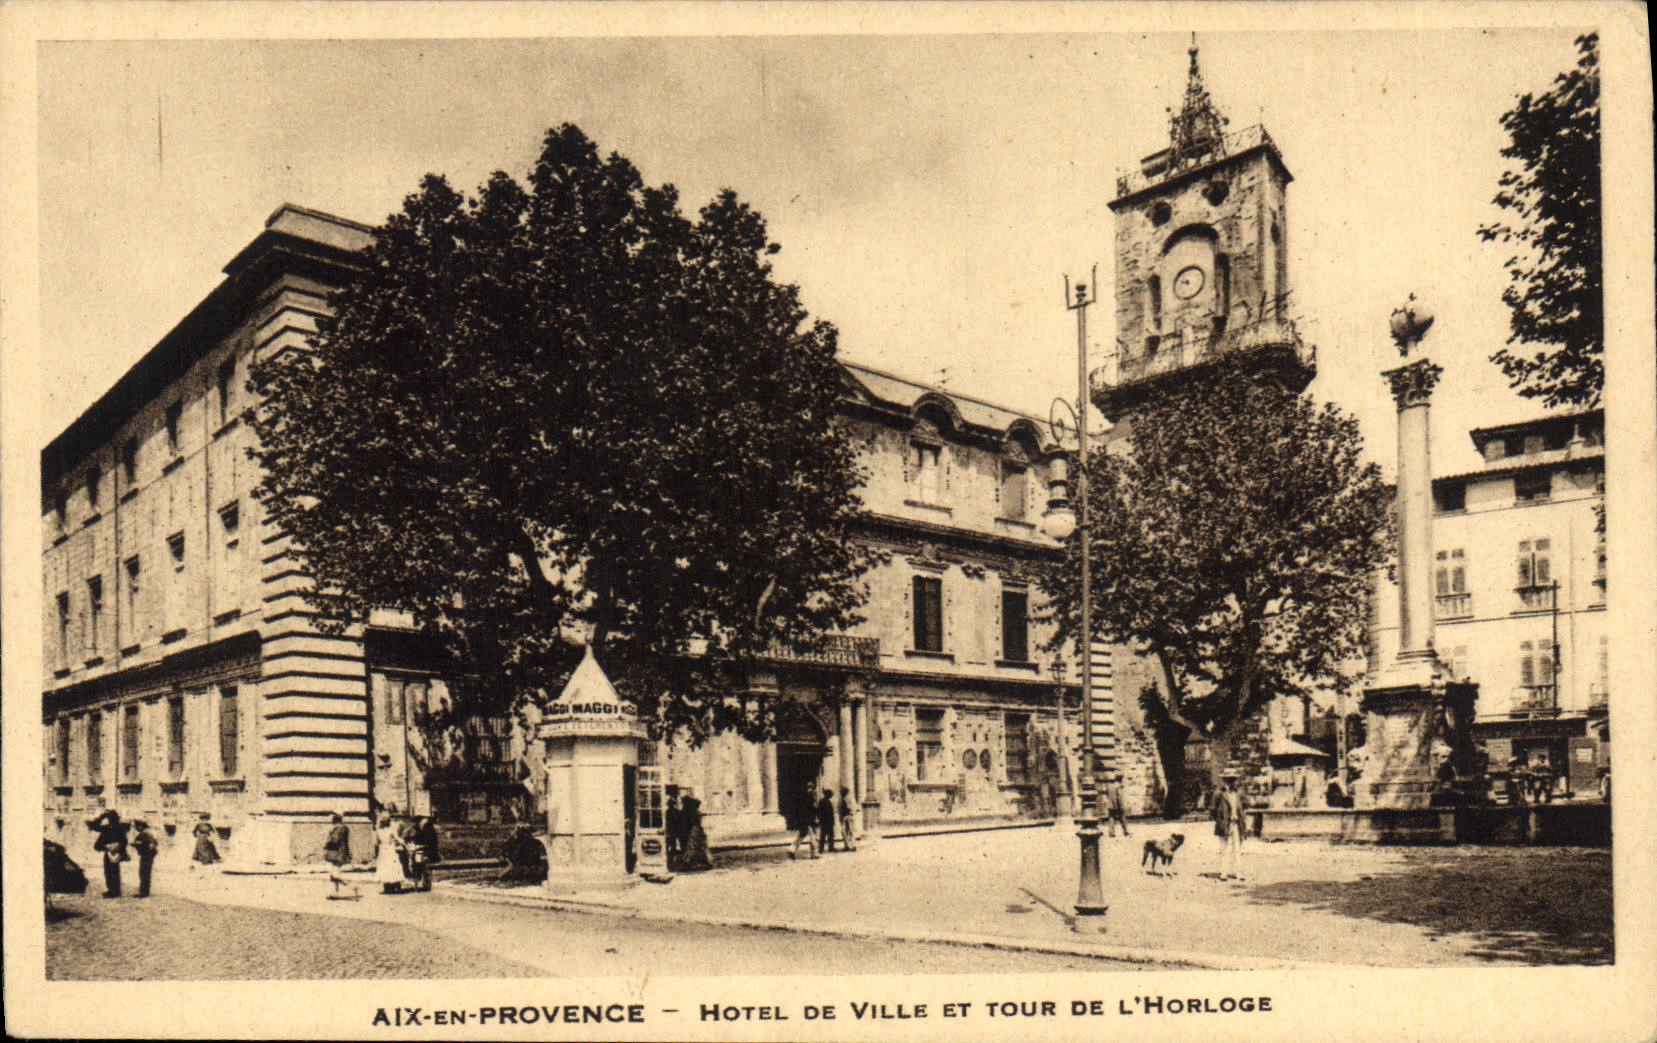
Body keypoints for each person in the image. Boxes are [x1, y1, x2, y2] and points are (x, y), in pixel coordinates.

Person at [1211, 775, 1246, 881]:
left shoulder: (1238, 793)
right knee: (1224, 848)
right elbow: (1213, 808)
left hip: (1237, 824)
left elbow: (1244, 805)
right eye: (1227, 780)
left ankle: (1239, 873)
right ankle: (1224, 873)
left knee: (1237, 849)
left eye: (1232, 780)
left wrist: (1241, 818)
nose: (1230, 782)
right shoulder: (1219, 793)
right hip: (1225, 824)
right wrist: (1220, 820)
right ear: (1223, 780)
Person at [89, 810, 129, 898]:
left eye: (113, 819)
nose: (112, 820)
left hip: (116, 852)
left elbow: (124, 841)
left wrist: (117, 846)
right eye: (110, 819)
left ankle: (115, 891)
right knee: (107, 871)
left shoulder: (120, 828)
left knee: (114, 871)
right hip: (107, 852)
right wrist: (102, 816)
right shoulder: (106, 828)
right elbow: (94, 826)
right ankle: (111, 890)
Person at [678, 795, 713, 871]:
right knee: (701, 847)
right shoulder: (694, 812)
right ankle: (706, 862)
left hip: (695, 830)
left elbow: (692, 822)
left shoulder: (692, 812)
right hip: (696, 830)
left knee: (693, 847)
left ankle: (687, 863)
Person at [373, 815, 406, 894]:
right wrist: (404, 843)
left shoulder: (378, 831)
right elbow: (398, 839)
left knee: (384, 867)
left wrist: (376, 853)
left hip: (383, 850)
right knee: (393, 866)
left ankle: (387, 886)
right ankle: (396, 885)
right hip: (390, 849)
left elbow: (375, 844)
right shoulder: (391, 830)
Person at [409, 816, 441, 891]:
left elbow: (431, 840)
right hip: (421, 848)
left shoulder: (426, 826)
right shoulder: (419, 826)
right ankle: (421, 883)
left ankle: (424, 883)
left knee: (424, 867)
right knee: (420, 867)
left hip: (425, 849)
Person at [131, 819, 160, 898]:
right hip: (148, 856)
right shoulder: (147, 833)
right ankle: (144, 892)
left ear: (140, 826)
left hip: (146, 856)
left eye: (137, 826)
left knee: (144, 874)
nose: (136, 828)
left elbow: (151, 844)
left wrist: (137, 844)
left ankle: (144, 893)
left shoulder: (145, 834)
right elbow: (154, 843)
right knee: (145, 874)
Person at [787, 795, 816, 860]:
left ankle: (792, 849)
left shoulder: (804, 799)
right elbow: (810, 812)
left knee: (801, 836)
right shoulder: (809, 800)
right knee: (812, 837)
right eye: (809, 787)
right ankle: (814, 854)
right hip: (808, 822)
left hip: (804, 821)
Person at [664, 792, 686, 871]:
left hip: (674, 830)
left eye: (672, 804)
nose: (671, 806)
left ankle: (673, 859)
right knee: (670, 845)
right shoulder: (670, 812)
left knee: (672, 846)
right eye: (670, 804)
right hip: (672, 831)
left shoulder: (669, 812)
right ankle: (671, 859)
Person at [815, 787, 838, 854]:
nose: (830, 796)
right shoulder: (823, 802)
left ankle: (826, 848)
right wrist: (820, 819)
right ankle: (823, 848)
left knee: (827, 835)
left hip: (827, 822)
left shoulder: (825, 802)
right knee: (824, 835)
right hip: (826, 821)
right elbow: (819, 812)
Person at [838, 787, 857, 852]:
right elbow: (839, 809)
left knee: (851, 831)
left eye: (843, 792)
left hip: (849, 816)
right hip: (843, 817)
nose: (842, 794)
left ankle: (852, 845)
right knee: (844, 831)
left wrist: (851, 814)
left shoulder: (850, 799)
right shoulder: (841, 799)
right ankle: (847, 845)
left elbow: (852, 808)